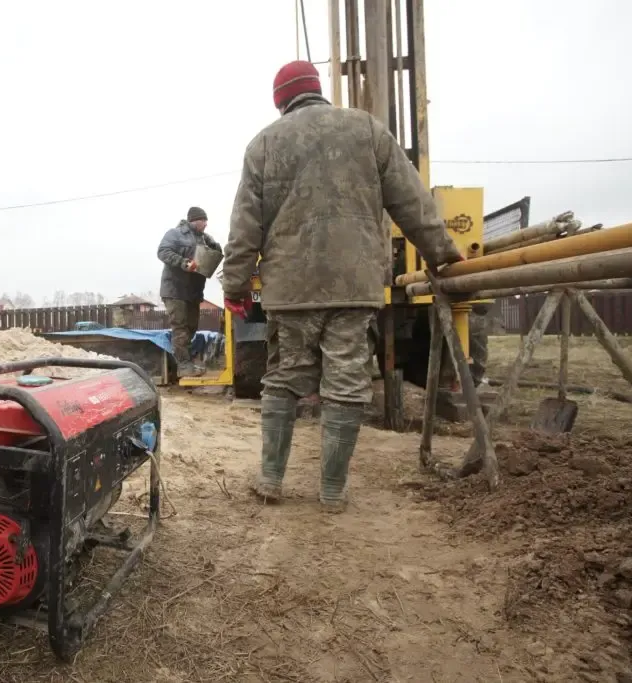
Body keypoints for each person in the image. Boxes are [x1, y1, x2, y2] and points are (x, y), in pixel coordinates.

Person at [220, 60, 464, 512]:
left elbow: (245, 225)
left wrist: (235, 285)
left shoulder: (264, 144)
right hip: (355, 283)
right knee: (347, 382)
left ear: (280, 101)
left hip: (291, 289)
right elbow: (411, 199)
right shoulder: (366, 130)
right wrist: (443, 253)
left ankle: (272, 478)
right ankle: (332, 490)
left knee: (284, 378)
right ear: (317, 90)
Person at [157, 206, 222, 378]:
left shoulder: (204, 238)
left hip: (193, 291)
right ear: (195, 220)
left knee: (192, 327)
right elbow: (163, 252)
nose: (206, 224)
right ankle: (184, 366)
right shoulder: (175, 234)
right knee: (180, 327)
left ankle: (186, 363)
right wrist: (184, 262)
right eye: (204, 221)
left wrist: (215, 246)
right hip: (175, 289)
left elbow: (216, 254)